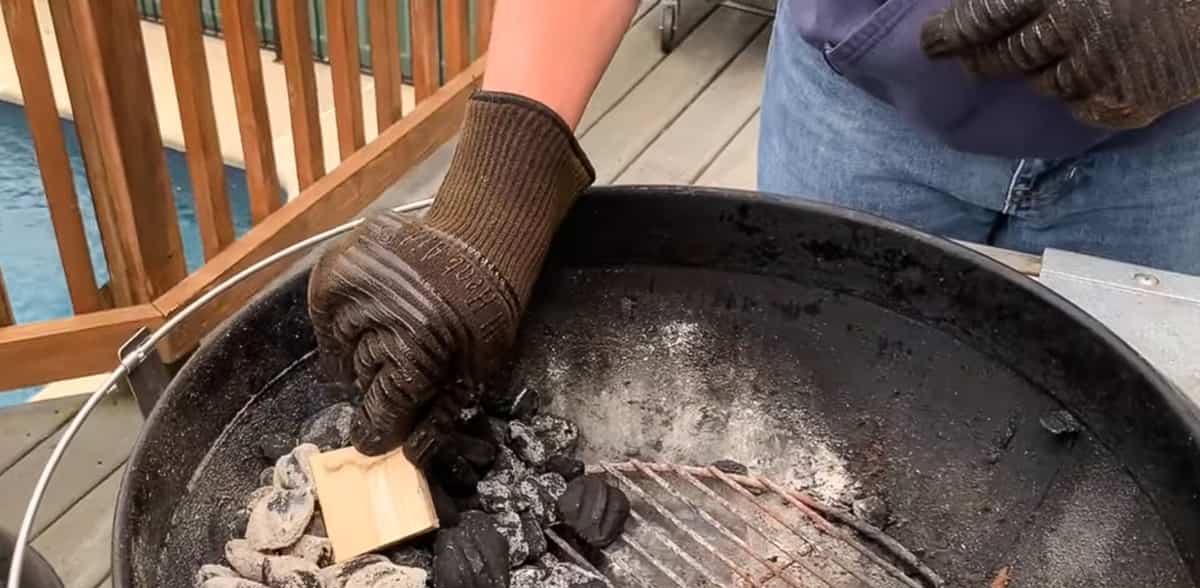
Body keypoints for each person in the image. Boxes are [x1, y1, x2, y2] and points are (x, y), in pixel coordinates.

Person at [308, 0, 1200, 460]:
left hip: (1172, 146)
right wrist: (496, 188)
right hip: (862, 104)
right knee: (826, 429)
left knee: (1122, 464)